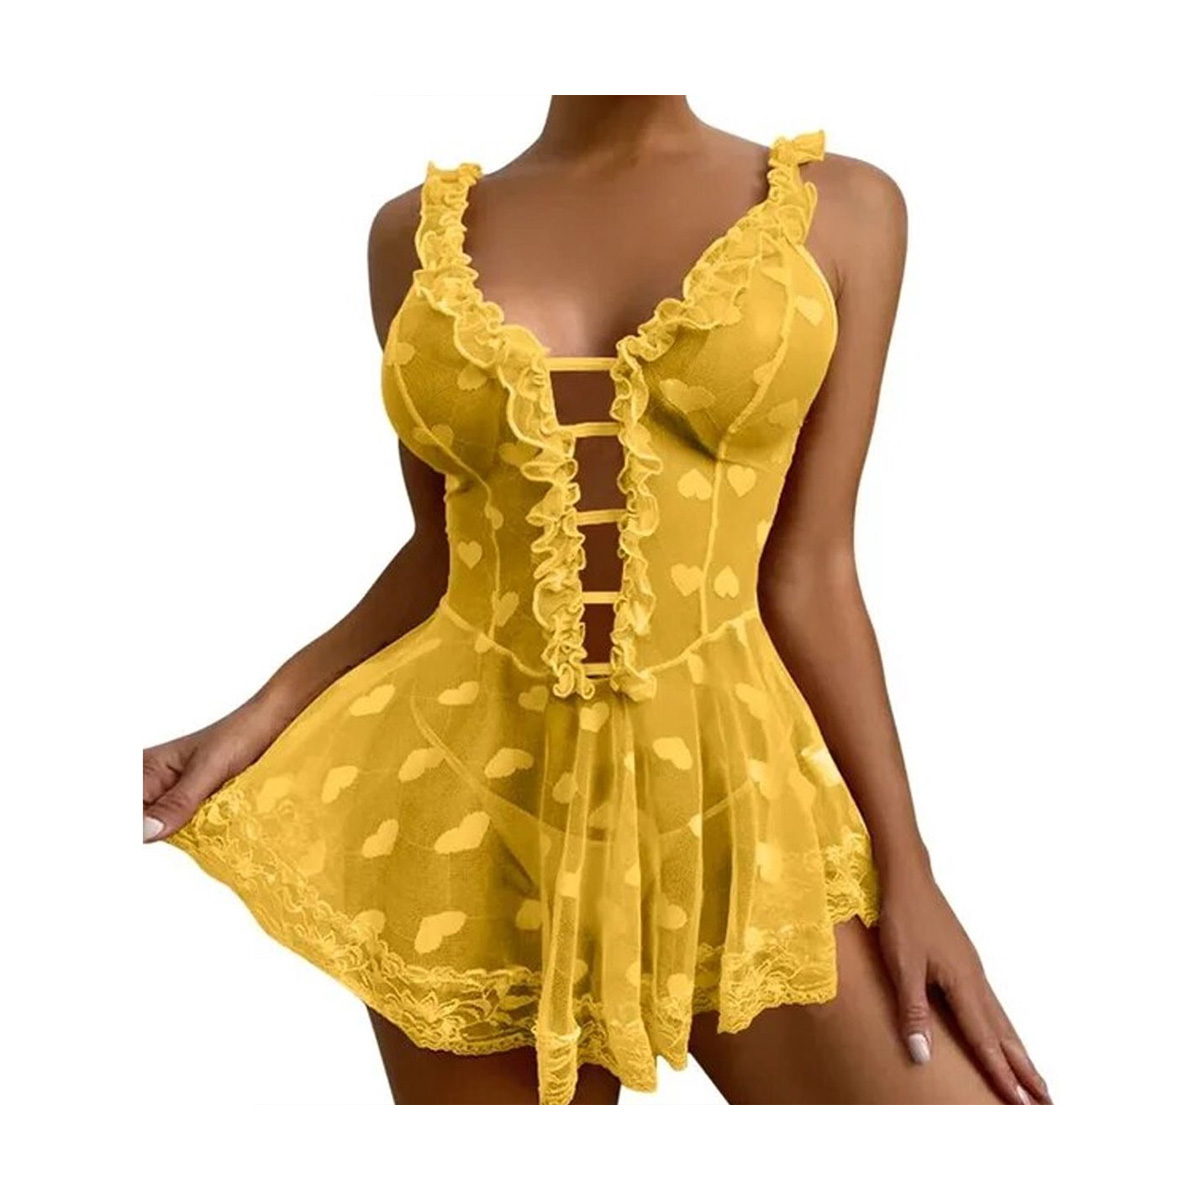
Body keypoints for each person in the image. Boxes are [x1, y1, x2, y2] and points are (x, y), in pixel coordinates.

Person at [143, 95, 1051, 1105]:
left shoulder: (846, 209)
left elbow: (810, 570)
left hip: (734, 805)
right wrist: (254, 720)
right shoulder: (409, 236)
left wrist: (909, 870)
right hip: (470, 814)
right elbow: (444, 560)